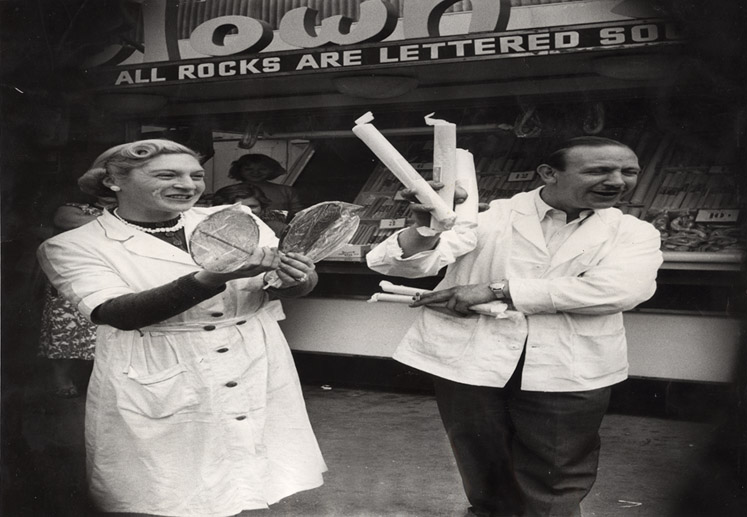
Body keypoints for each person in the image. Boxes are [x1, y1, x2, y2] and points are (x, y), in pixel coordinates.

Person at [367, 136, 664, 517]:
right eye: (599, 170)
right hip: (472, 362)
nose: (617, 181)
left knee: (558, 474)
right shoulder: (490, 217)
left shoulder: (634, 232)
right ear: (548, 174)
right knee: (484, 469)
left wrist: (496, 290)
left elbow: (620, 291)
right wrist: (425, 228)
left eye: (629, 172)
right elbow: (393, 264)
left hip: (569, 366)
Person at [37, 139, 326, 516]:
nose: (187, 185)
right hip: (156, 368)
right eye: (167, 175)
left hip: (251, 357)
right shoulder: (75, 245)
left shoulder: (235, 220)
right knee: (166, 488)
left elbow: (289, 288)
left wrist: (299, 278)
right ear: (113, 182)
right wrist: (212, 277)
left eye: (196, 176)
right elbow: (118, 313)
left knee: (251, 479)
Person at [38, 201, 110, 398]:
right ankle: (62, 377)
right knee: (67, 329)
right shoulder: (73, 208)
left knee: (103, 330)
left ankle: (97, 381)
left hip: (106, 274)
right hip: (74, 275)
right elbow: (63, 220)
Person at [227, 153, 304, 217]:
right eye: (248, 169)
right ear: (239, 170)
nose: (256, 173)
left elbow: (298, 214)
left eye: (262, 169)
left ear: (272, 170)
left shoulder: (287, 191)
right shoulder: (230, 191)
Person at [212, 183, 288, 237]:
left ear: (262, 207)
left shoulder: (277, 229)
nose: (246, 210)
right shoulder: (212, 231)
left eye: (252, 206)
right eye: (238, 207)